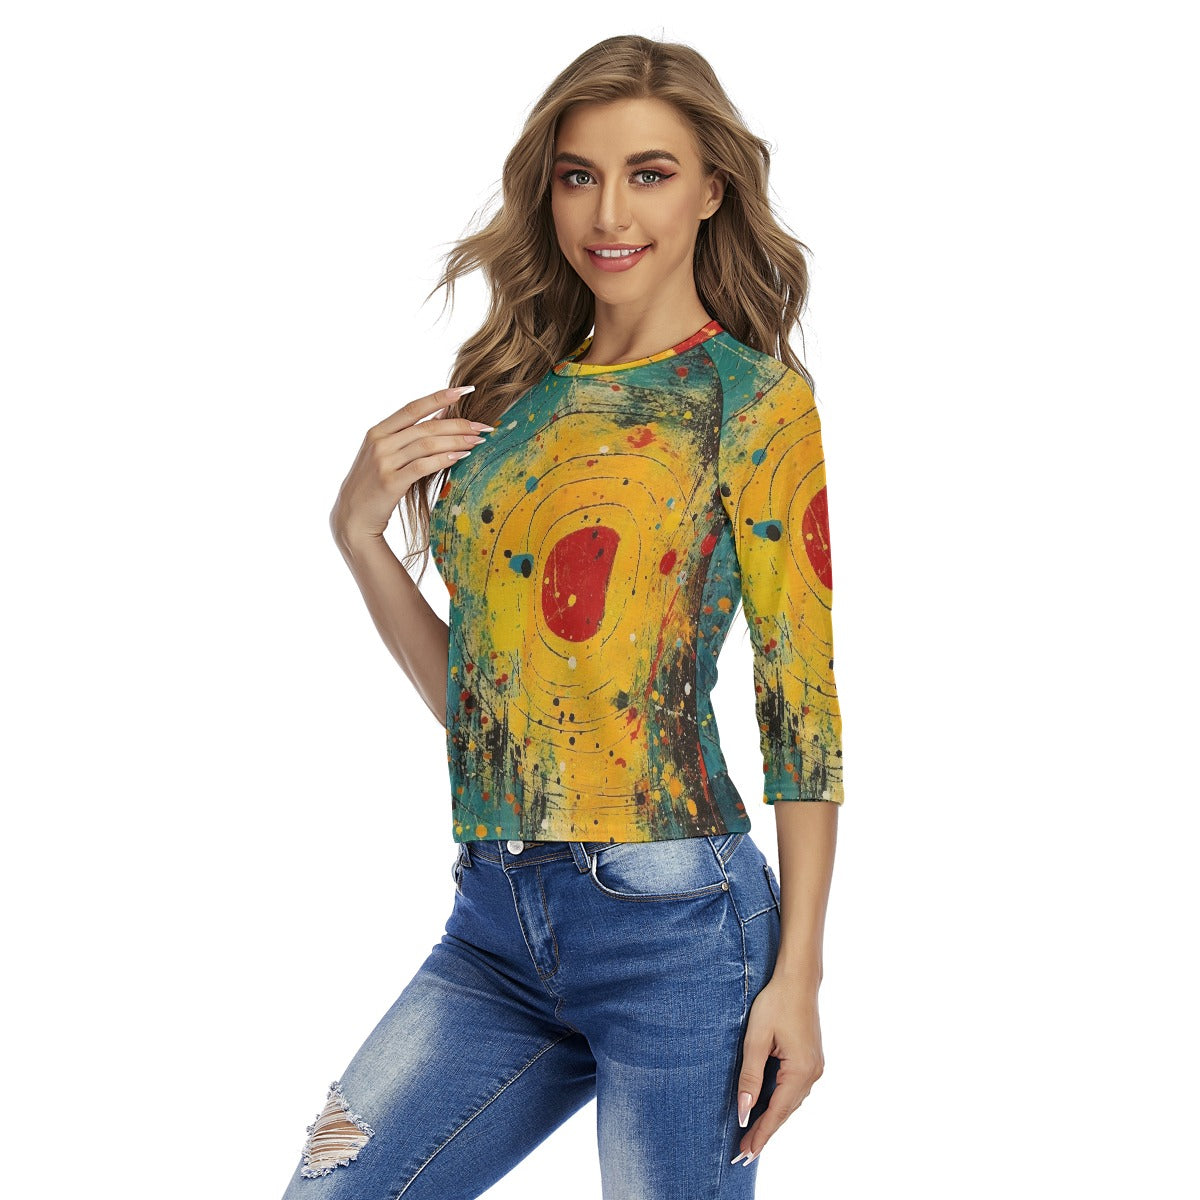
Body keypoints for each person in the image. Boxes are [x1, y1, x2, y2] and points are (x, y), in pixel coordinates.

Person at [280, 32, 843, 1200]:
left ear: (711, 190)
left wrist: (799, 978)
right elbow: (489, 711)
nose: (609, 212)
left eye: (650, 173)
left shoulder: (752, 401)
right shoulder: (511, 400)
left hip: (679, 925)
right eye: (579, 175)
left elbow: (801, 704)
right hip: (494, 922)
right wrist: (358, 536)